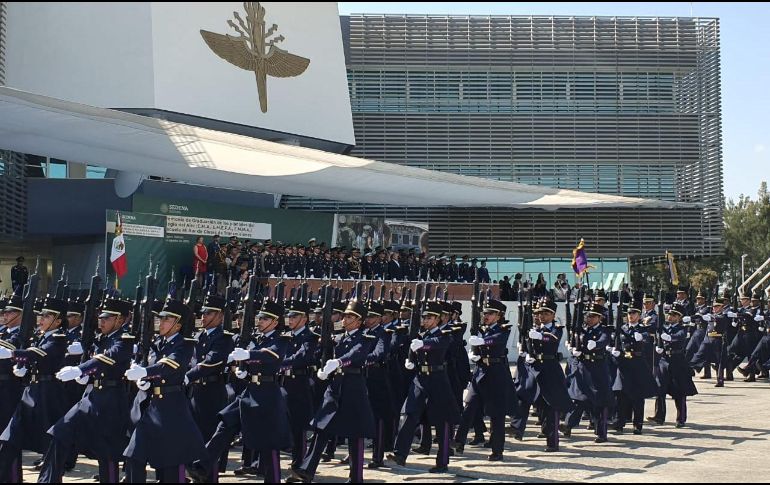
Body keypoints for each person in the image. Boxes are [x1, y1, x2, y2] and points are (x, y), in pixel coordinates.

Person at [38, 298, 134, 483]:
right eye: (100, 317)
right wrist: (86, 375)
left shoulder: (124, 340)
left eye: (107, 318)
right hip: (91, 397)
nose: (101, 321)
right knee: (61, 431)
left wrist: (80, 369)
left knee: (107, 453)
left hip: (112, 399)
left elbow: (108, 358)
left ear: (120, 320)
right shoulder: (101, 338)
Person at [288, 300, 376, 483]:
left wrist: (338, 362)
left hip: (353, 388)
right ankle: (306, 470)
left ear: (359, 321)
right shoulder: (338, 337)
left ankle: (356, 477)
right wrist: (320, 365)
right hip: (335, 387)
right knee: (321, 427)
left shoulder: (364, 338)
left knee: (355, 434)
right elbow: (320, 352)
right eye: (344, 315)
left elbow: (357, 354)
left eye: (350, 316)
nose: (345, 319)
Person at [123, 299, 207, 483]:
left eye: (166, 319)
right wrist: (144, 380)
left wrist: (145, 372)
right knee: (133, 456)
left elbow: (169, 365)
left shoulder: (185, 345)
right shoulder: (157, 343)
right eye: (160, 319)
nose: (161, 323)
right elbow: (151, 366)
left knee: (171, 466)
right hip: (151, 409)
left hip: (171, 410)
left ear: (178, 324)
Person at [0, 296, 69, 483]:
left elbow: (41, 353)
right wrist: (23, 367)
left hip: (49, 394)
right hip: (31, 392)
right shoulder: (39, 337)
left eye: (47, 316)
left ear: (58, 320)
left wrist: (14, 354)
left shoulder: (58, 338)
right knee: (9, 437)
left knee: (49, 444)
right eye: (42, 315)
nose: (42, 319)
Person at [386, 301, 460, 474]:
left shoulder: (445, 332)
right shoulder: (420, 334)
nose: (425, 320)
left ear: (437, 319)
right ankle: (400, 453)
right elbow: (413, 347)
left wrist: (423, 345)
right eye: (424, 317)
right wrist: (410, 359)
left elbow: (440, 343)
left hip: (438, 379)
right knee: (410, 413)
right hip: (420, 378)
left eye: (429, 317)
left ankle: (442, 462)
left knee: (442, 421)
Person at [454, 300, 513, 461]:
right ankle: (458, 441)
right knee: (469, 406)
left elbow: (498, 340)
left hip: (495, 373)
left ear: (499, 316)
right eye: (485, 313)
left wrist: (482, 342)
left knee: (496, 414)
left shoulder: (503, 329)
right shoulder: (480, 329)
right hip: (480, 371)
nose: (486, 316)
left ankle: (497, 450)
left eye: (490, 313)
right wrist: (474, 353)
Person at [649, 303, 698, 428]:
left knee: (679, 391)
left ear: (679, 317)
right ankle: (659, 416)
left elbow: (680, 337)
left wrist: (669, 337)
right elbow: (653, 331)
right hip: (664, 360)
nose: (670, 317)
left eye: (674, 315)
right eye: (669, 314)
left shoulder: (683, 328)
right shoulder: (665, 327)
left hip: (677, 360)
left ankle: (680, 418)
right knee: (660, 389)